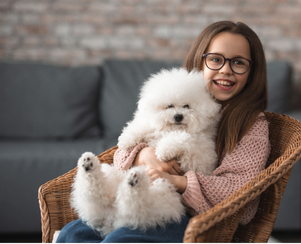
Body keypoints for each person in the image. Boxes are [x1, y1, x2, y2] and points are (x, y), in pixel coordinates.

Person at [57, 20, 271, 243]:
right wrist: (142, 154)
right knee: (72, 234)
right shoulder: (172, 95)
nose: (225, 70)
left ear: (252, 71)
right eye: (216, 59)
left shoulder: (252, 123)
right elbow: (121, 153)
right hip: (138, 200)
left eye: (238, 62)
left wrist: (176, 181)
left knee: (119, 240)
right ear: (200, 62)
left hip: (196, 220)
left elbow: (240, 189)